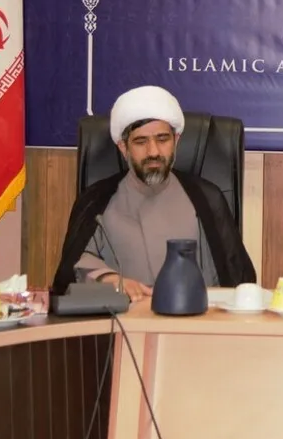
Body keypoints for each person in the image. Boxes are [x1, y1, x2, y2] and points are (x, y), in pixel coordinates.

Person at [52, 85, 256, 300]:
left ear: (176, 140)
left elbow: (237, 280)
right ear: (123, 147)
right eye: (141, 142)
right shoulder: (96, 201)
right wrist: (108, 279)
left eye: (162, 139)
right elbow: (74, 270)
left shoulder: (207, 198)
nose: (153, 152)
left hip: (195, 316)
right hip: (121, 317)